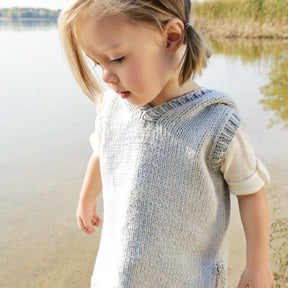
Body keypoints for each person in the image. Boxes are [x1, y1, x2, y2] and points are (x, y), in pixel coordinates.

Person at [58, 0, 275, 287]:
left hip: (187, 278)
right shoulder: (111, 108)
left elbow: (250, 192)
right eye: (97, 63)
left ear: (171, 38)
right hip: (115, 274)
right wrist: (87, 198)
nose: (106, 76)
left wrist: (258, 264)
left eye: (118, 58)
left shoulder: (216, 122)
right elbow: (102, 152)